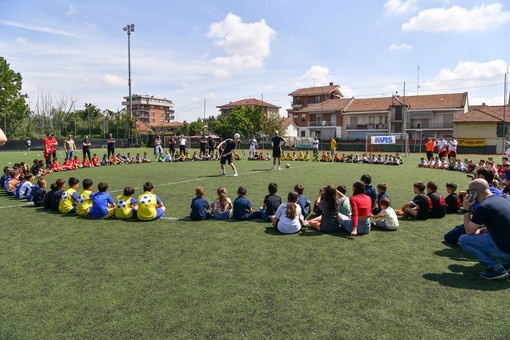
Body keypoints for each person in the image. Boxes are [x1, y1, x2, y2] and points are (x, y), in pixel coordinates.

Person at [458, 178, 510, 280]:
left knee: (464, 239)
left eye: (469, 191)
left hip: (506, 251)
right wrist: (481, 230)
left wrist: (466, 210)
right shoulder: (502, 200)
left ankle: (496, 269)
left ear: (475, 192)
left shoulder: (484, 206)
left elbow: (469, 230)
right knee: (483, 233)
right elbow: (500, 226)